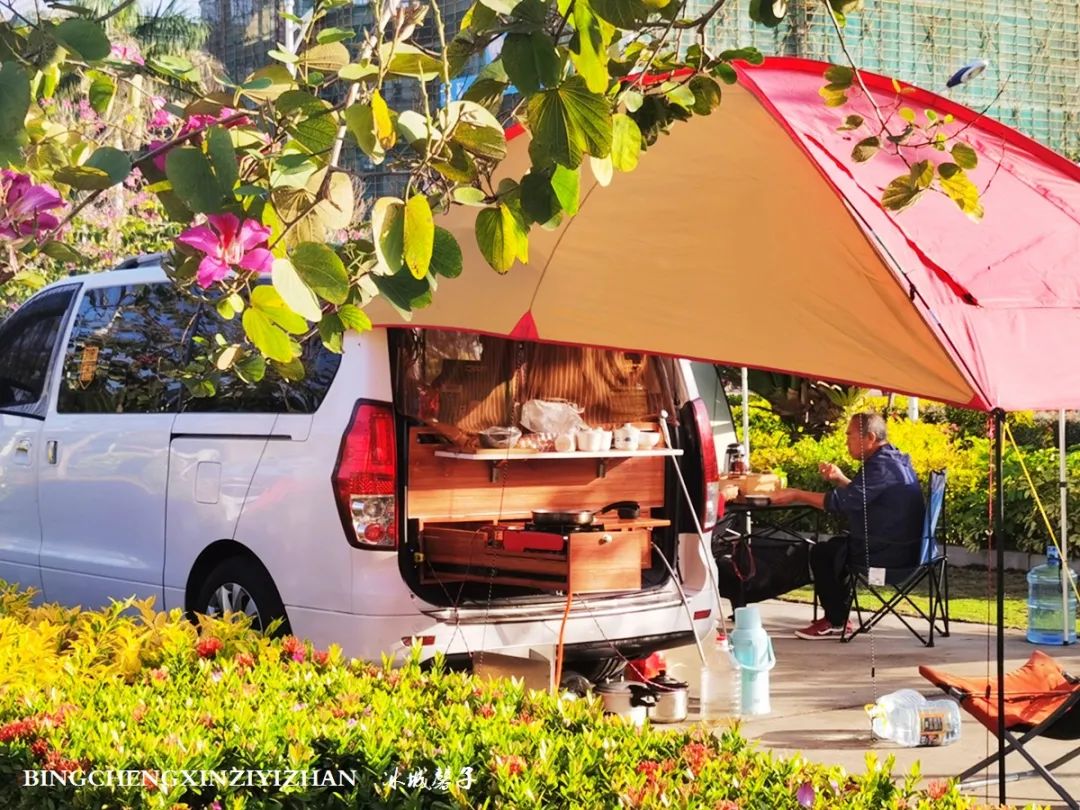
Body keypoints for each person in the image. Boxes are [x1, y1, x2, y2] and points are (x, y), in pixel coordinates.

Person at [768, 412, 925, 640]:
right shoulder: (892, 459)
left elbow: (839, 503)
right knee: (834, 549)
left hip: (889, 558)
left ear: (869, 437)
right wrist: (841, 479)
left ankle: (837, 620)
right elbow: (862, 497)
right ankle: (838, 616)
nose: (846, 442)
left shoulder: (880, 466)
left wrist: (795, 494)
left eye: (849, 436)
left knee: (823, 553)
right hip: (905, 548)